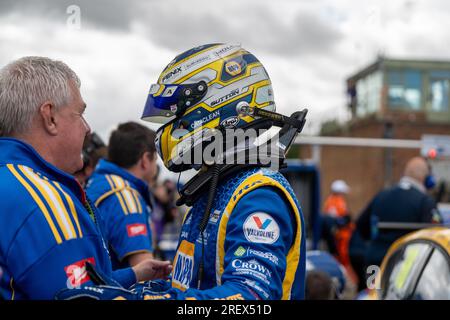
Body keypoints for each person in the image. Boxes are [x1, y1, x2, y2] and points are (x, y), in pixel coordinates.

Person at [57, 43, 307, 300]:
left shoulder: (257, 195)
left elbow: (250, 297)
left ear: (221, 103)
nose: (171, 126)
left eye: (178, 112)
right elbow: (190, 290)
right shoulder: (214, 189)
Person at [0, 57, 171, 299]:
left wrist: (133, 274)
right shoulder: (42, 200)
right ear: (49, 117)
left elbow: (59, 281)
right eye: (79, 113)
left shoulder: (12, 180)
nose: (87, 127)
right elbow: (82, 295)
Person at [86, 122, 157, 269]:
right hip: (116, 290)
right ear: (145, 160)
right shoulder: (125, 196)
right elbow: (146, 270)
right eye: (155, 159)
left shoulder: (99, 182)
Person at [356, 156, 442, 268]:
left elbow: (361, 225)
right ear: (426, 179)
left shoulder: (381, 195)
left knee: (373, 286)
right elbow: (435, 235)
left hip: (374, 263)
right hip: (406, 266)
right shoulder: (425, 201)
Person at [322, 179, 357, 284]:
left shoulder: (334, 201)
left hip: (342, 237)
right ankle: (345, 280)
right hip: (340, 238)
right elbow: (335, 221)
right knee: (342, 260)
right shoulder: (334, 202)